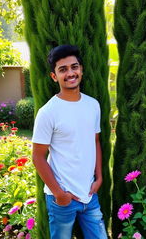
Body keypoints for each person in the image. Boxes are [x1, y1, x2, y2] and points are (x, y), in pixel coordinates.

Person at [32, 45, 107, 239]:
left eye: (74, 67)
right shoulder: (48, 112)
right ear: (54, 76)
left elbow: (95, 141)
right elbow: (38, 157)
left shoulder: (93, 105)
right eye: (63, 69)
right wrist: (59, 194)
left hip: (90, 195)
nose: (70, 73)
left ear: (81, 69)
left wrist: (98, 178)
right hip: (62, 199)